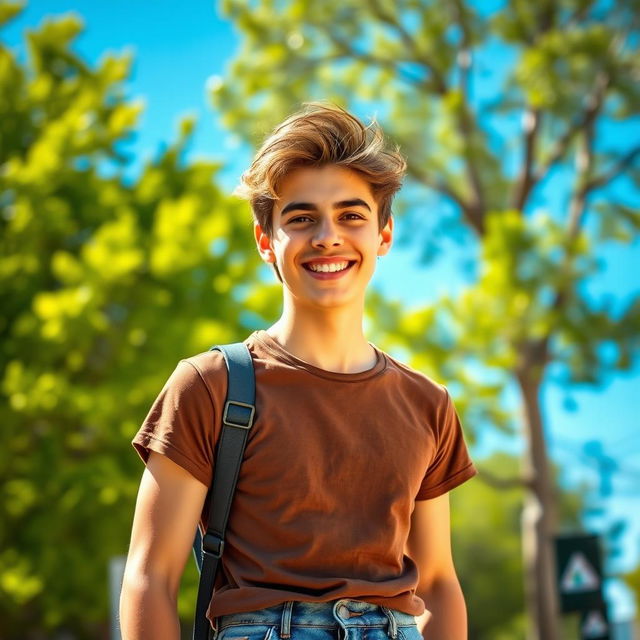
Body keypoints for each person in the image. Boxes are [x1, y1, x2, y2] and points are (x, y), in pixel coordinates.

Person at [119, 103, 477, 640]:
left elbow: (440, 584)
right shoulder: (210, 386)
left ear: (383, 235)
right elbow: (150, 576)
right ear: (267, 241)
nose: (328, 236)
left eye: (352, 215)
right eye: (302, 217)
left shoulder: (428, 404)